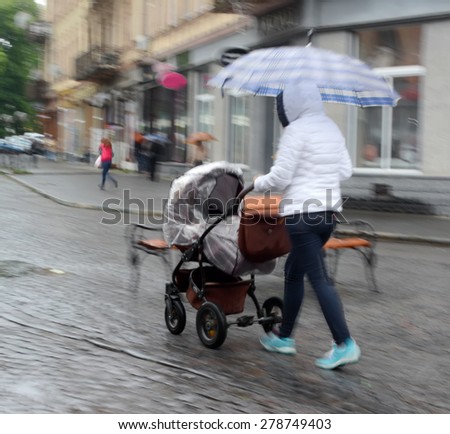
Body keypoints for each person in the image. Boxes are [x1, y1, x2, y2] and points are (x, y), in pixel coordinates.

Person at [254, 81, 360, 370]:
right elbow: (345, 171)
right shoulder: (332, 128)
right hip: (327, 215)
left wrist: (258, 182)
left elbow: (281, 178)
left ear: (292, 104)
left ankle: (344, 343)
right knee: (293, 272)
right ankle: (284, 338)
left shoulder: (295, 130)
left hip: (302, 215)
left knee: (320, 280)